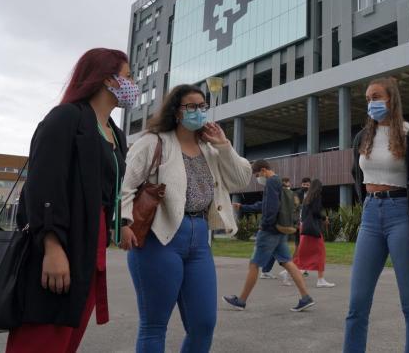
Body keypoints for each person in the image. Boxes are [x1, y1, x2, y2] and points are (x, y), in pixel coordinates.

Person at [7, 48, 134, 353]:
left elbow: (112, 188)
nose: (133, 85)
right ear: (107, 79)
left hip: (93, 245)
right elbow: (43, 185)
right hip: (62, 239)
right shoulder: (66, 117)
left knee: (68, 334)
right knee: (44, 332)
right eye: (128, 77)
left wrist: (121, 222)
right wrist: (52, 246)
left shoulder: (114, 133)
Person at [119, 84, 252, 352]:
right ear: (176, 111)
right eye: (191, 106)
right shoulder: (153, 142)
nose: (198, 112)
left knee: (204, 324)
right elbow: (125, 187)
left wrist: (224, 146)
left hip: (200, 238)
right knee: (154, 325)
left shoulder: (210, 149)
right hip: (160, 238)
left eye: (202, 106)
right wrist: (124, 224)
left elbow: (241, 180)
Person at [344, 77, 409, 353]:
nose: (371, 103)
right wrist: (367, 205)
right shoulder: (362, 137)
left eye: (376, 96)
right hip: (371, 216)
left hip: (402, 216)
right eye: (367, 99)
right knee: (357, 304)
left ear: (391, 98)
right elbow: (356, 174)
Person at [224, 160, 315, 312]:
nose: (258, 178)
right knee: (288, 262)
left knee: (254, 264)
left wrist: (265, 226)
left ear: (264, 170)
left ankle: (241, 301)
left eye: (258, 175)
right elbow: (265, 204)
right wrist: (244, 207)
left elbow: (271, 207)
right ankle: (306, 298)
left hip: (269, 231)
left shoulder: (271, 182)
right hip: (280, 230)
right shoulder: (279, 181)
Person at [293, 179, 335, 288]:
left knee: (304, 252)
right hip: (313, 230)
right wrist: (324, 217)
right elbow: (316, 212)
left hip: (305, 229)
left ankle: (291, 271)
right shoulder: (317, 196)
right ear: (319, 187)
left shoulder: (307, 198)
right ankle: (320, 280)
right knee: (320, 252)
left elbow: (306, 213)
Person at [260, 177, 297, 279]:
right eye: (285, 183)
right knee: (282, 255)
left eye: (288, 183)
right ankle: (288, 272)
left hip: (282, 227)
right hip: (279, 227)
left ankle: (266, 271)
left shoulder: (289, 194)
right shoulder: (279, 194)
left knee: (274, 251)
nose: (287, 185)